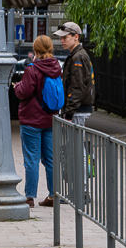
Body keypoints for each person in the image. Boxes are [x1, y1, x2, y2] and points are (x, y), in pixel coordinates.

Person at [13, 34, 61, 207]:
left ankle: (29, 197)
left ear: (35, 50)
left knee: (32, 159)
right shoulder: (56, 67)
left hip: (32, 120)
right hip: (50, 119)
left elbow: (24, 92)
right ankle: (53, 196)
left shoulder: (32, 69)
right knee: (51, 159)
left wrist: (17, 86)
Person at [56, 22, 95, 127]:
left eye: (65, 37)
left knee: (75, 138)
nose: (62, 40)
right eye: (61, 38)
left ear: (76, 37)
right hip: (78, 109)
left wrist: (69, 114)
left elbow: (77, 87)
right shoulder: (78, 55)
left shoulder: (78, 57)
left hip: (77, 111)